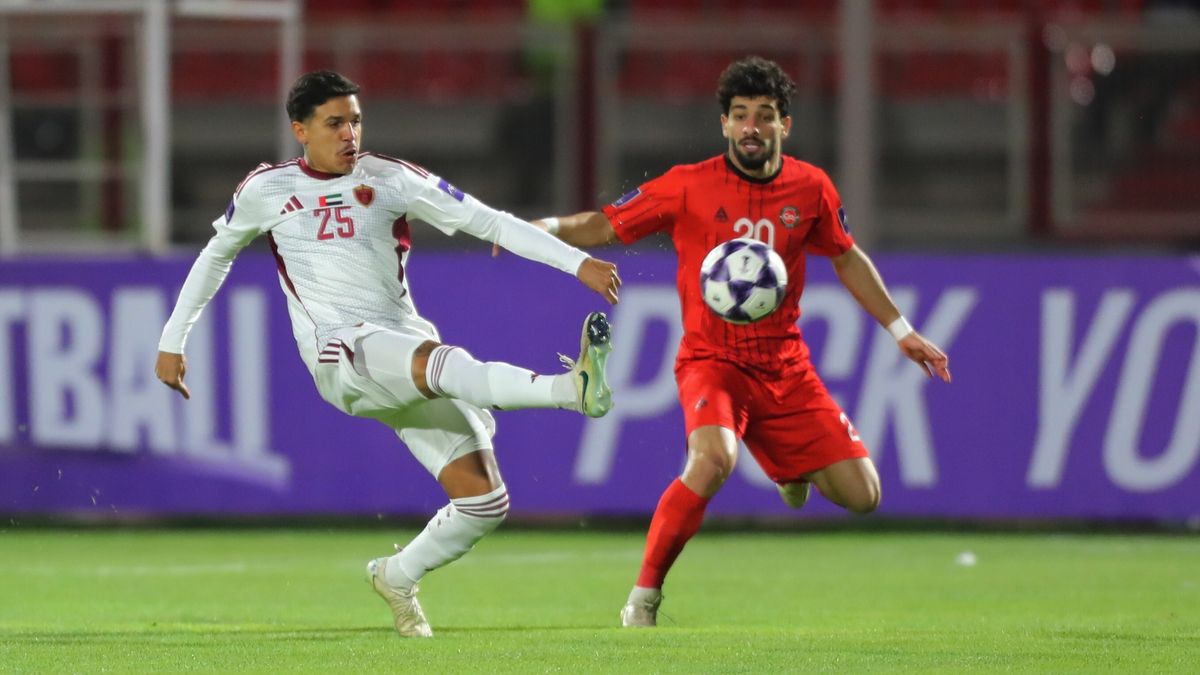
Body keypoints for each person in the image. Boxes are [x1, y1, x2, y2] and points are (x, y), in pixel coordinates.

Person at [154, 71, 622, 638]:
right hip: (337, 353)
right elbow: (216, 254)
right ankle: (570, 390)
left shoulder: (391, 178)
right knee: (443, 364)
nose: (349, 134)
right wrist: (172, 339)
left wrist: (577, 262)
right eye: (334, 123)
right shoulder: (266, 190)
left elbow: (488, 221)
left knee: (484, 502)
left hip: (399, 345)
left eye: (355, 121)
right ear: (300, 130)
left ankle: (396, 576)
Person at [525, 56, 951, 627]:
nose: (753, 126)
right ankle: (643, 599)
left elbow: (846, 256)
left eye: (765, 115)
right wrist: (546, 229)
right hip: (712, 362)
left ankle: (786, 470)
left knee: (863, 495)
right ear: (724, 123)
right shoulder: (687, 185)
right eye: (742, 114)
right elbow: (606, 223)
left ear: (785, 126)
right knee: (712, 460)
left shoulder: (812, 188)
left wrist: (901, 331)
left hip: (785, 368)